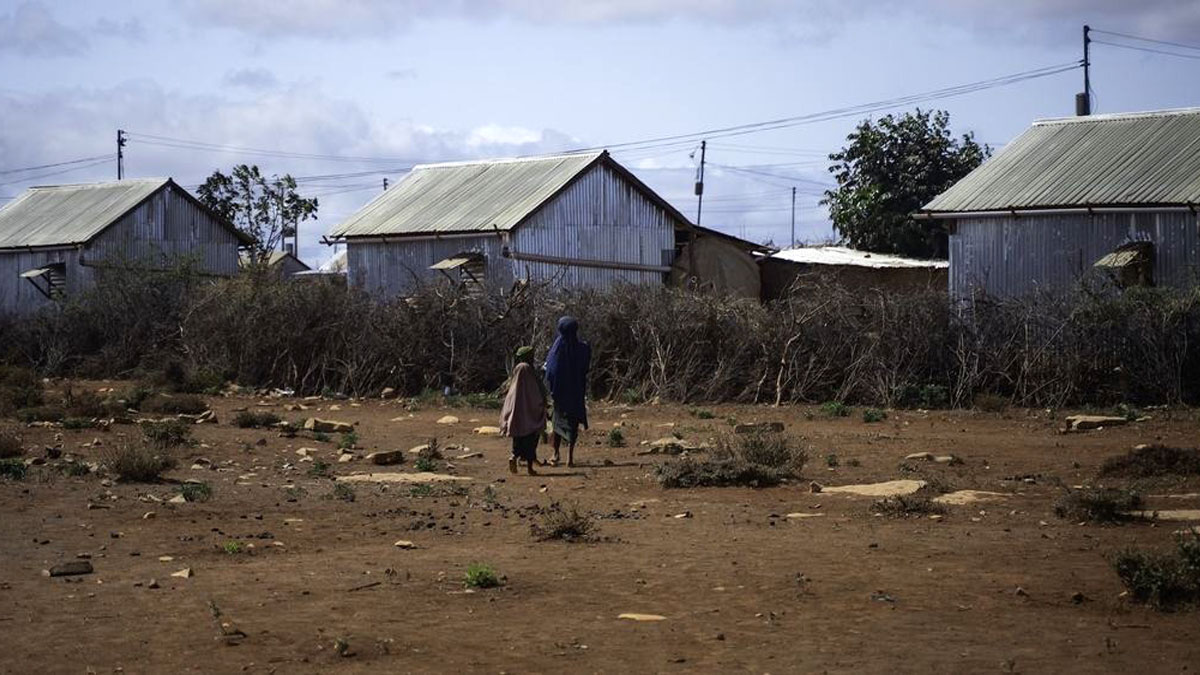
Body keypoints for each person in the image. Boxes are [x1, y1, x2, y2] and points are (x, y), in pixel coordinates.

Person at [545, 316, 591, 467]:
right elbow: (585, 367)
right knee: (573, 425)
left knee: (557, 423)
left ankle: (555, 453)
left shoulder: (557, 348)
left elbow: (551, 370)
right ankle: (570, 457)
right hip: (576, 392)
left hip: (560, 393)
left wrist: (552, 388)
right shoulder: (582, 349)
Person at [500, 346, 546, 475]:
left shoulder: (517, 370)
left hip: (517, 412)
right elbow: (537, 390)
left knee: (518, 440)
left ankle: (513, 456)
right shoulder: (528, 369)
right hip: (530, 411)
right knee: (531, 441)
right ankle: (530, 468)